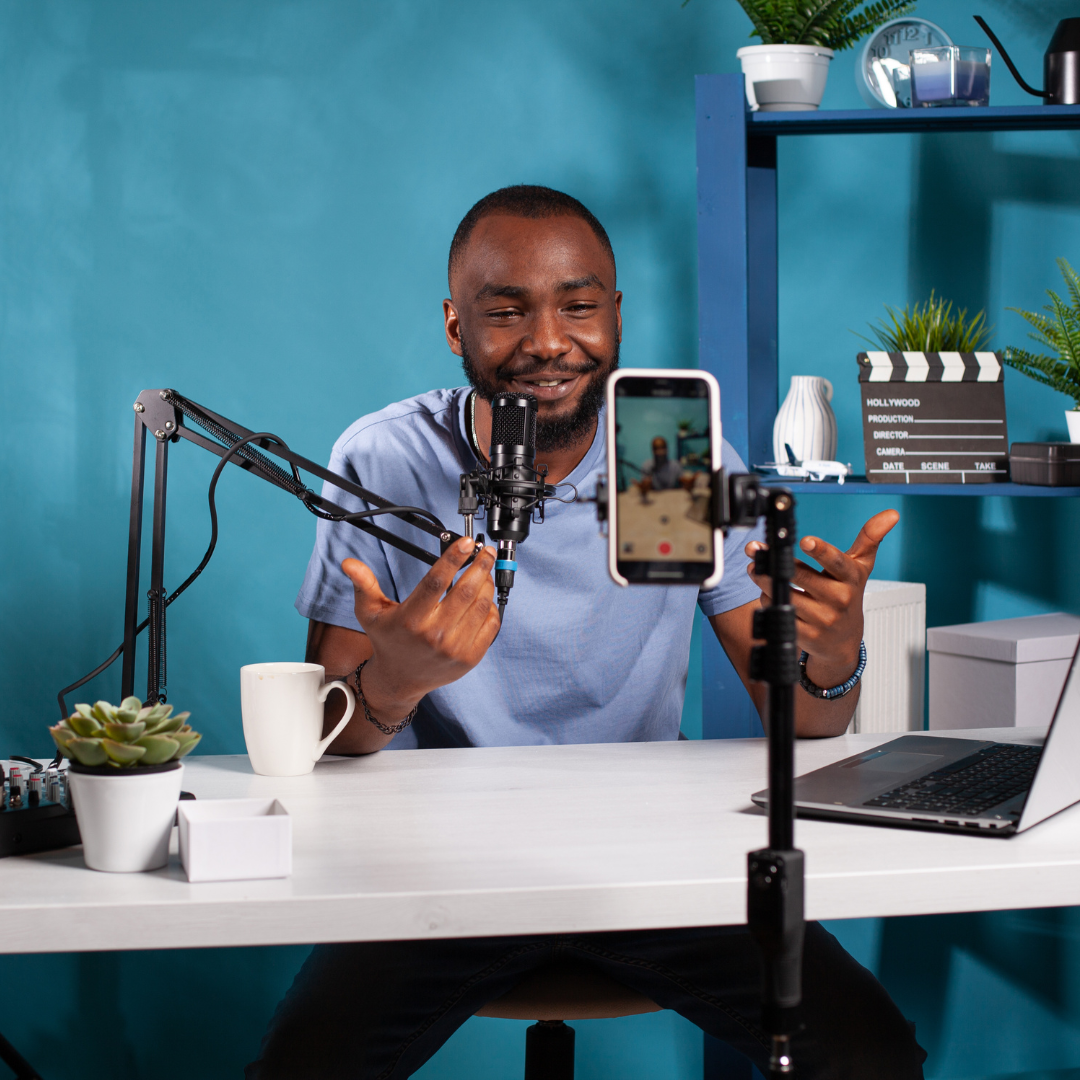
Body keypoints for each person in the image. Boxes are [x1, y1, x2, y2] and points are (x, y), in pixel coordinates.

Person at [247, 186, 920, 1079]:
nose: (549, 342)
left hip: (654, 856)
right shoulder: (386, 460)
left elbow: (803, 722)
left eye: (578, 305)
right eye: (506, 312)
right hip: (433, 864)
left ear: (614, 316)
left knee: (868, 1055)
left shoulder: (669, 456)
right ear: (456, 328)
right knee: (302, 1069)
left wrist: (830, 662)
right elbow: (328, 745)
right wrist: (397, 681)